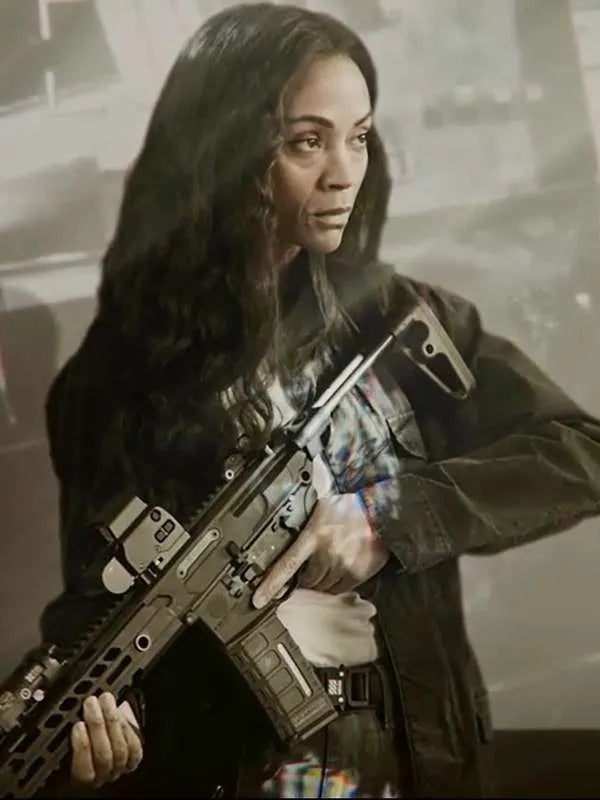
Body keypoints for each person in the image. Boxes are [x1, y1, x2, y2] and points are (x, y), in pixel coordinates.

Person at [38, 2, 600, 798]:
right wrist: (108, 725)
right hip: (241, 769)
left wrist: (385, 519)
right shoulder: (110, 385)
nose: (344, 171)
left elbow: (580, 451)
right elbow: (99, 607)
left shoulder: (399, 320)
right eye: (308, 140)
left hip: (419, 754)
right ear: (227, 151)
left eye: (359, 136)